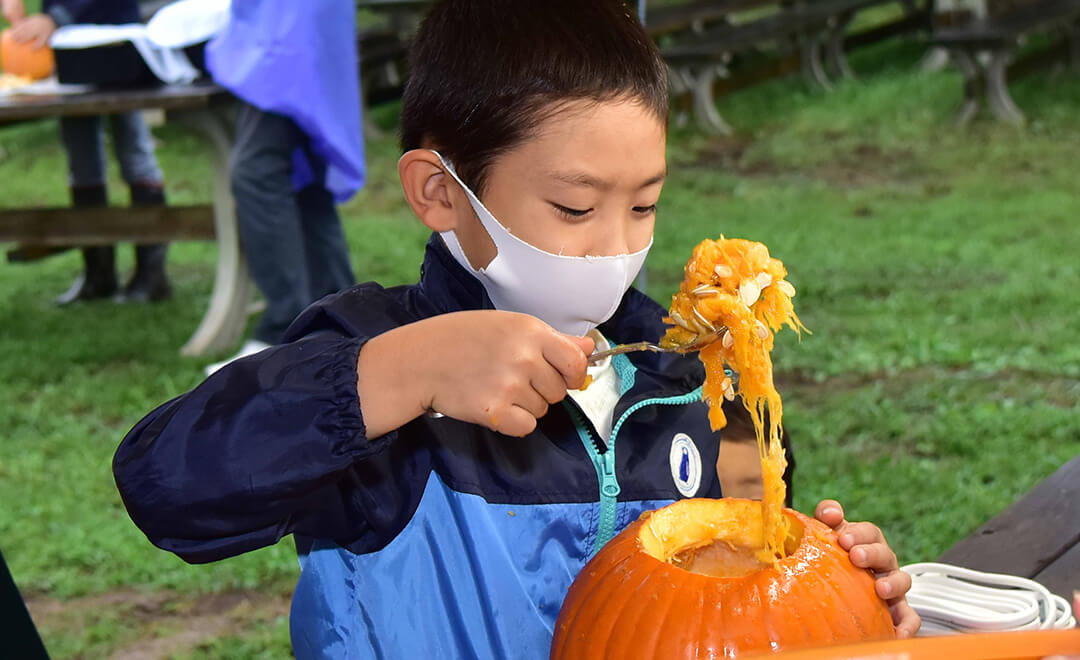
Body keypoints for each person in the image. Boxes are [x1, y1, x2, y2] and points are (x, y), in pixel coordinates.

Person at [113, 1, 920, 657]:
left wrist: (834, 597)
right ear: (440, 192)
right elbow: (167, 489)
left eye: (644, 203)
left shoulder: (704, 378)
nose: (616, 247)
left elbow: (753, 557)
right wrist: (401, 374)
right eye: (574, 207)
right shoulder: (370, 353)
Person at [200, 0, 363, 375]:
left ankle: (286, 329)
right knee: (303, 170)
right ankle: (339, 319)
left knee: (257, 170)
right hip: (281, 19)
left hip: (290, 21)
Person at [2, 0, 172, 304]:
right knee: (82, 160)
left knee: (133, 150)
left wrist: (56, 17)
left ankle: (152, 275)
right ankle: (98, 274)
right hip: (68, 49)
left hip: (116, 40)